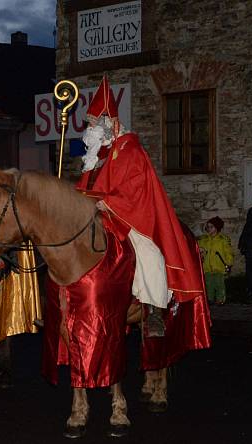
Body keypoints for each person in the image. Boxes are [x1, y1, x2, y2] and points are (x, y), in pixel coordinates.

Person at [77, 75, 205, 336]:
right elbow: (87, 186)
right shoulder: (98, 154)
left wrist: (107, 202)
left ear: (110, 123)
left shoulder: (130, 149)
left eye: (94, 124)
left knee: (149, 253)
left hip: (128, 215)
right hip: (96, 213)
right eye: (89, 124)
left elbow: (136, 189)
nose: (90, 130)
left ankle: (154, 310)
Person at [197, 216, 234, 305]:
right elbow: (198, 250)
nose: (209, 229)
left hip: (219, 267)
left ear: (217, 228)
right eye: (208, 227)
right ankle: (209, 299)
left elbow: (228, 252)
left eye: (211, 227)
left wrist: (228, 263)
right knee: (208, 285)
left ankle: (220, 299)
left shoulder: (223, 240)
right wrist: (200, 251)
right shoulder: (203, 239)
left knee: (219, 285)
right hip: (207, 267)